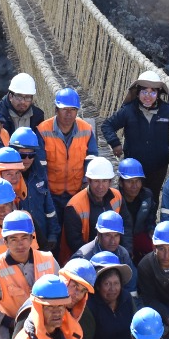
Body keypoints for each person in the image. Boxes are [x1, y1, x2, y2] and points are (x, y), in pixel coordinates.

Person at [101, 69, 169, 194]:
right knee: (130, 197)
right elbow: (107, 125)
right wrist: (115, 143)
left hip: (158, 166)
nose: (148, 96)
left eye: (152, 92)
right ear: (138, 93)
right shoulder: (128, 111)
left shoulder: (167, 111)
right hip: (133, 166)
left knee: (153, 198)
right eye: (144, 92)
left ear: (158, 94)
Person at [0, 212, 59, 339]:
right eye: (14, 239)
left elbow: (61, 295)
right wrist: (9, 322)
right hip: (18, 332)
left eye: (24, 238)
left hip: (51, 328)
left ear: (32, 238)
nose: (20, 244)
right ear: (5, 241)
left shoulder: (49, 260)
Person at [38, 88, 95, 238]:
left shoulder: (86, 130)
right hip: (51, 194)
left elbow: (92, 158)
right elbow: (40, 166)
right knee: (53, 231)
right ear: (56, 110)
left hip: (76, 192)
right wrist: (45, 192)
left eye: (73, 110)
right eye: (64, 109)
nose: (69, 114)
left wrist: (85, 182)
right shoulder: (43, 130)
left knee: (74, 232)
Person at [79, 251, 137, 339]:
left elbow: (135, 328)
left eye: (116, 283)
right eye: (107, 284)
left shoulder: (127, 298)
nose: (113, 289)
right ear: (98, 286)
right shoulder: (89, 306)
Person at [12, 127, 62, 252]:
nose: (27, 160)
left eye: (31, 155)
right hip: (19, 243)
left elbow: (49, 207)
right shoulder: (7, 178)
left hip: (41, 238)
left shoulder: (40, 172)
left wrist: (52, 234)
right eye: (23, 155)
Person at [65, 156, 126, 257]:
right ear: (89, 181)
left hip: (113, 252)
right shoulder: (74, 206)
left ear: (110, 182)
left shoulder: (117, 196)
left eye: (105, 181)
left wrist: (125, 253)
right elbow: (75, 243)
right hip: (84, 258)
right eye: (96, 181)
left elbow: (126, 227)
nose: (101, 186)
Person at [73, 211, 138, 294]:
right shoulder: (84, 257)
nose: (113, 241)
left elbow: (130, 288)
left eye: (116, 235)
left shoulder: (123, 254)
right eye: (108, 235)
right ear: (98, 234)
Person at [117, 158, 158, 260]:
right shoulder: (115, 199)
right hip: (119, 239)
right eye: (129, 181)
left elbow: (150, 219)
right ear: (121, 183)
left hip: (139, 235)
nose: (134, 186)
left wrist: (151, 230)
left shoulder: (147, 196)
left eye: (137, 181)